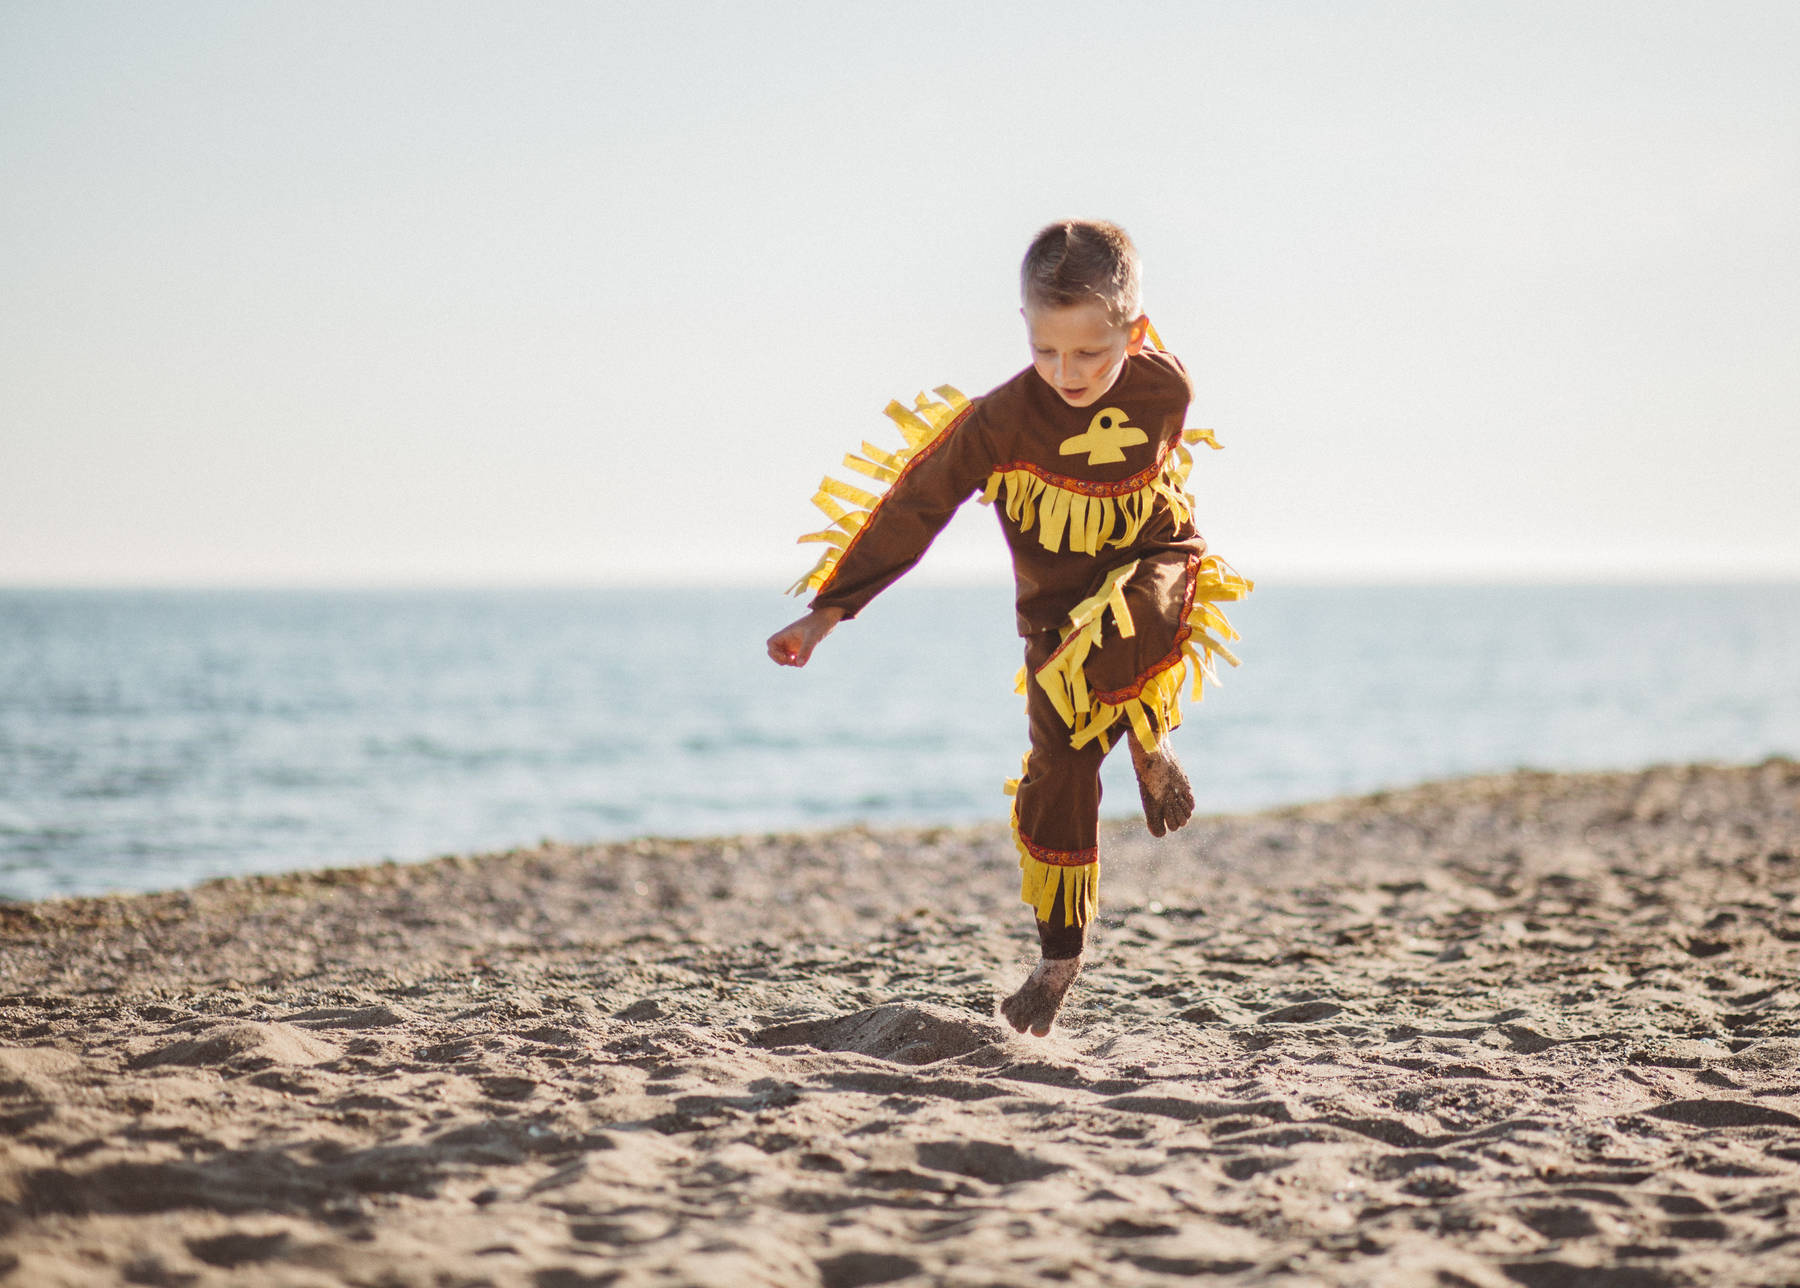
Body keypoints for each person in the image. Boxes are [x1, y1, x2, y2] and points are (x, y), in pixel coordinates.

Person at [766, 219, 1250, 1036]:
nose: (1067, 373)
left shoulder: (1165, 388)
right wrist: (829, 610)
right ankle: (1060, 958)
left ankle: (1148, 733)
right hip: (1054, 620)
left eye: (1092, 353)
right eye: (1046, 350)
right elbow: (915, 503)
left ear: (1134, 331)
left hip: (1152, 564)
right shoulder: (1001, 423)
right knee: (1054, 777)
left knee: (1126, 631)